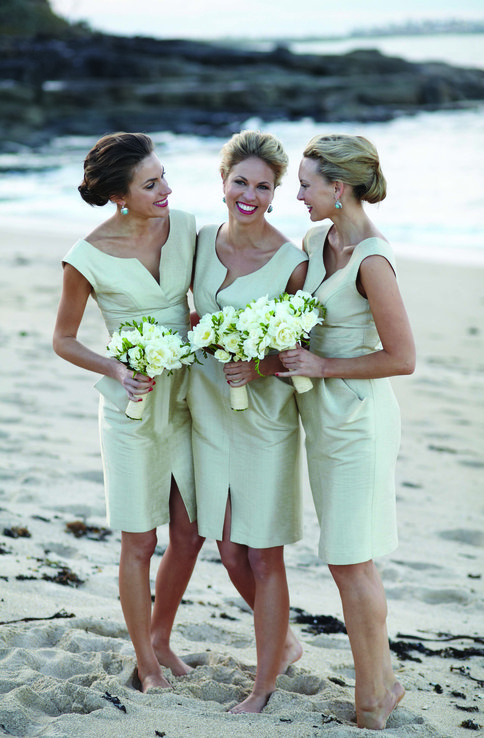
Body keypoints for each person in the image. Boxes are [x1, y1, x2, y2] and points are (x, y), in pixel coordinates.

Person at [52, 132, 204, 692]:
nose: (166, 188)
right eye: (151, 183)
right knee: (140, 540)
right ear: (120, 194)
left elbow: (207, 295)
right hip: (130, 408)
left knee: (190, 534)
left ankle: (162, 637)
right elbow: (64, 339)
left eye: (163, 175)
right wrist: (114, 368)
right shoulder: (86, 255)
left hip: (189, 398)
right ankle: (145, 660)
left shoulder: (186, 226)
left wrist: (200, 320)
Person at [278, 133, 415, 730]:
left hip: (359, 420)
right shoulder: (316, 239)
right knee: (346, 557)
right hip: (321, 419)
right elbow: (290, 313)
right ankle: (383, 683)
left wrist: (322, 365)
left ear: (339, 188)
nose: (297, 192)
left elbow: (403, 357)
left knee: (349, 559)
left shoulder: (372, 260)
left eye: (306, 183)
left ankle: (372, 700)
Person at [187, 130, 307, 713]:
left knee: (263, 554)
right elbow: (189, 309)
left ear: (276, 192)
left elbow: (297, 353)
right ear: (224, 182)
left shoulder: (291, 263)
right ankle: (282, 642)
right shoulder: (200, 241)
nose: (250, 195)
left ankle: (263, 688)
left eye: (264, 186)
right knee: (230, 551)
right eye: (242, 182)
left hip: (264, 422)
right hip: (209, 414)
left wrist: (256, 366)